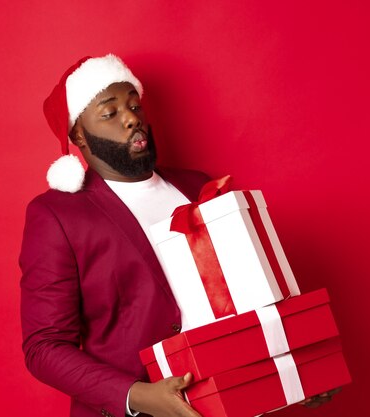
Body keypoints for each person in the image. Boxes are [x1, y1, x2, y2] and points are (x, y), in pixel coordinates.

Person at [19, 54, 339, 417]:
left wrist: (292, 372)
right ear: (79, 134)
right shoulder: (58, 215)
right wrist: (137, 396)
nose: (131, 118)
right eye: (110, 113)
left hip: (228, 401)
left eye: (134, 105)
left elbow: (245, 296)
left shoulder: (198, 186)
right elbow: (43, 347)